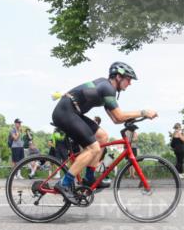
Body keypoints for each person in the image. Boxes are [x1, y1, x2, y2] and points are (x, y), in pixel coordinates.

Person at [50, 62, 156, 203]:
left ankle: (89, 178)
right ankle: (64, 183)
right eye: (128, 79)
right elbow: (119, 116)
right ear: (118, 76)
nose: (130, 83)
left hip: (72, 111)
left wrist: (135, 118)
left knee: (102, 136)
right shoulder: (107, 88)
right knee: (93, 148)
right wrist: (143, 112)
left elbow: (115, 120)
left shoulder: (107, 88)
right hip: (65, 112)